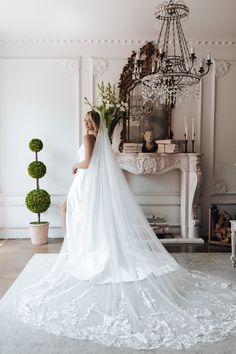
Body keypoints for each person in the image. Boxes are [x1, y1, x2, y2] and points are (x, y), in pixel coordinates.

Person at [16, 110, 236, 350]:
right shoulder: (101, 139)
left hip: (84, 181)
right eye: (85, 120)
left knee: (74, 214)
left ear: (93, 123)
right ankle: (80, 248)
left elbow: (88, 163)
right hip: (87, 183)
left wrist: (75, 165)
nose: (85, 123)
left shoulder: (90, 138)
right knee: (75, 214)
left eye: (88, 120)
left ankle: (78, 249)